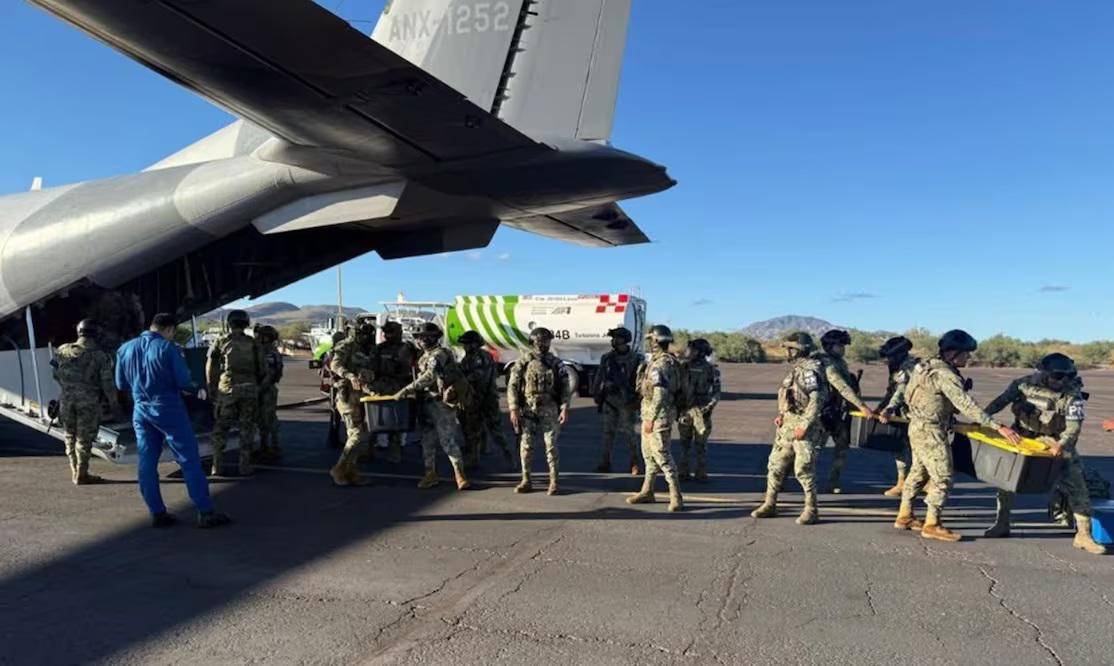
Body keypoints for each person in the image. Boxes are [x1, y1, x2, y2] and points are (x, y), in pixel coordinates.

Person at [894, 330, 1021, 542]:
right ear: (952, 353)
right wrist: (998, 426)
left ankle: (905, 515)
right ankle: (932, 524)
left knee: (918, 471)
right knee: (942, 477)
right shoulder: (945, 375)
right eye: (965, 353)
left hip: (917, 426)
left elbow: (910, 395)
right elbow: (966, 405)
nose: (968, 357)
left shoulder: (924, 366)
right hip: (931, 431)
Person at [981, 353, 1106, 554]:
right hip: (1022, 437)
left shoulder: (1072, 395)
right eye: (1057, 376)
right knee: (1005, 482)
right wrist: (984, 420)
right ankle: (1002, 523)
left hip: (1055, 441)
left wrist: (1062, 444)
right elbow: (1000, 402)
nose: (1062, 381)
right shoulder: (1023, 385)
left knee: (1077, 486)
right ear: (1044, 374)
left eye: (1067, 376)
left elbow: (1074, 427)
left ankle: (1084, 535)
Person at [115, 313, 230, 528]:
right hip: (168, 408)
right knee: (188, 458)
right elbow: (184, 380)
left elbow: (121, 384)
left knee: (147, 461)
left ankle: (157, 513)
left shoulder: (125, 349)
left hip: (141, 410)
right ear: (169, 329)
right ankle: (205, 511)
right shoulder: (167, 348)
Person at [751, 332, 828, 524]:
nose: (787, 352)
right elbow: (790, 396)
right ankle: (770, 503)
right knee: (775, 465)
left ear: (798, 350)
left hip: (804, 427)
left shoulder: (811, 371)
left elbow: (817, 400)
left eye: (790, 348)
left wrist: (804, 425)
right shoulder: (797, 370)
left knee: (803, 468)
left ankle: (811, 509)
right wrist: (782, 415)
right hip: (788, 425)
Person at [393, 323, 471, 490]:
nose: (420, 341)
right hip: (426, 403)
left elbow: (430, 376)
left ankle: (460, 475)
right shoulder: (425, 356)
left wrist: (406, 390)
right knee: (427, 440)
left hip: (440, 404)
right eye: (418, 338)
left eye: (423, 337)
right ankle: (430, 473)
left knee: (447, 440)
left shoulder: (440, 354)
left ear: (433, 338)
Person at [52, 319, 120, 485]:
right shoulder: (100, 356)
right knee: (84, 438)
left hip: (66, 400)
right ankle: (82, 473)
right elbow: (107, 383)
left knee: (70, 436)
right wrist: (114, 404)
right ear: (97, 335)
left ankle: (75, 471)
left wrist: (69, 387)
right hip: (88, 401)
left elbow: (55, 374)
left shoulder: (62, 350)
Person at [627, 325, 685, 511]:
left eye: (651, 340)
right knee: (648, 456)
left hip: (658, 416)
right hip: (653, 414)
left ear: (656, 341)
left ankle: (676, 496)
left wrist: (651, 419)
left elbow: (660, 394)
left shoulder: (661, 364)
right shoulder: (666, 361)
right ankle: (647, 491)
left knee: (662, 456)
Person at [507, 327, 571, 495]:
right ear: (533, 342)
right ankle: (526, 480)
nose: (543, 345)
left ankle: (554, 482)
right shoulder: (523, 362)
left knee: (551, 446)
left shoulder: (556, 363)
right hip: (528, 410)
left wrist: (564, 407)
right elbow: (512, 386)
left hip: (549, 409)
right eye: (540, 341)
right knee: (526, 446)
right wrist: (513, 408)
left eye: (546, 341)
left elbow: (565, 387)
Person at [813, 329, 873, 494]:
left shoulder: (840, 362)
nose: (843, 349)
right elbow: (842, 387)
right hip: (822, 413)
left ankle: (833, 481)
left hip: (837, 412)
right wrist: (862, 406)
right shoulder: (827, 364)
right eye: (840, 345)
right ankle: (792, 478)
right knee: (813, 450)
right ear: (829, 346)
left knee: (842, 448)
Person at [206, 310, 265, 476]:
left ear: (230, 323)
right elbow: (262, 368)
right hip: (249, 388)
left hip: (227, 389)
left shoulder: (221, 341)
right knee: (247, 427)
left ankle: (217, 465)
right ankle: (244, 465)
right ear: (246, 323)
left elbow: (211, 366)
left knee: (221, 427)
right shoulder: (253, 343)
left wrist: (212, 387)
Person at [328, 321, 376, 486]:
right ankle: (339, 468)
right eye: (362, 333)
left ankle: (351, 471)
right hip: (347, 396)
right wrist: (349, 375)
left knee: (361, 435)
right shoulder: (346, 345)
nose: (366, 337)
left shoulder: (367, 349)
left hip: (362, 395)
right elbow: (335, 364)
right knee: (356, 434)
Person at [457, 330, 513, 468]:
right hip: (482, 397)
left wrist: (461, 379)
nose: (465, 346)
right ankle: (481, 453)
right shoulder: (477, 356)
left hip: (483, 398)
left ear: (474, 344)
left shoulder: (478, 358)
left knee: (487, 430)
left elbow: (478, 377)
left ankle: (508, 457)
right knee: (479, 429)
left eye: (467, 344)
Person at [591, 326, 642, 475]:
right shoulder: (607, 358)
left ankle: (635, 462)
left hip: (627, 401)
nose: (613, 341)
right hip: (610, 399)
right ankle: (605, 462)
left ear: (625, 340)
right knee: (608, 433)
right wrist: (596, 393)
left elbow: (641, 381)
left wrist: (638, 399)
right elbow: (600, 376)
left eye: (617, 338)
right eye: (613, 338)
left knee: (630, 433)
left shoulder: (636, 358)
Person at [369, 321, 417, 463]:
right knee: (375, 421)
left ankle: (395, 452)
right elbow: (372, 368)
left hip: (399, 388)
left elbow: (415, 366)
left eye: (392, 332)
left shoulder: (407, 348)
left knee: (396, 422)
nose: (388, 335)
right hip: (381, 388)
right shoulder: (378, 349)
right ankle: (369, 450)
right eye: (387, 332)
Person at [876, 336, 918, 497]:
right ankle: (904, 482)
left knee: (916, 450)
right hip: (904, 414)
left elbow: (901, 391)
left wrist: (888, 409)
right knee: (900, 447)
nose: (888, 360)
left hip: (915, 415)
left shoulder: (908, 367)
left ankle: (911, 484)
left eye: (891, 357)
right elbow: (891, 390)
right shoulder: (897, 367)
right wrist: (880, 408)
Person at [677, 338, 721, 482]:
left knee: (699, 444)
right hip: (686, 411)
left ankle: (700, 471)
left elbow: (716, 393)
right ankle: (684, 471)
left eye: (692, 350)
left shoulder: (711, 370)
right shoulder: (683, 367)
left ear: (699, 352)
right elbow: (677, 389)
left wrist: (707, 408)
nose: (688, 352)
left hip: (701, 413)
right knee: (685, 444)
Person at [255, 325, 283, 462]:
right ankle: (268, 447)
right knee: (267, 419)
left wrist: (259, 390)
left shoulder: (268, 353)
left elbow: (270, 374)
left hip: (266, 390)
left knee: (267, 420)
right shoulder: (271, 351)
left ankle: (269, 448)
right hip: (267, 388)